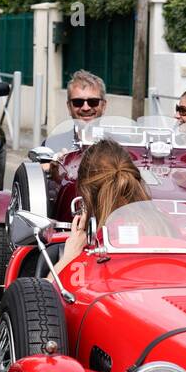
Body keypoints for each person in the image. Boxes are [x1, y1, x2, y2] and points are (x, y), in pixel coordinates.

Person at [49, 139, 149, 279]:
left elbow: (40, 297)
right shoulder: (164, 223)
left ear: (86, 194)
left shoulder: (99, 247)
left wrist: (69, 256)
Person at [43, 69, 109, 156]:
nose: (86, 108)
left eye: (93, 101)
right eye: (78, 102)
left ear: (103, 106)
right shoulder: (51, 145)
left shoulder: (123, 145)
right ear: (69, 107)